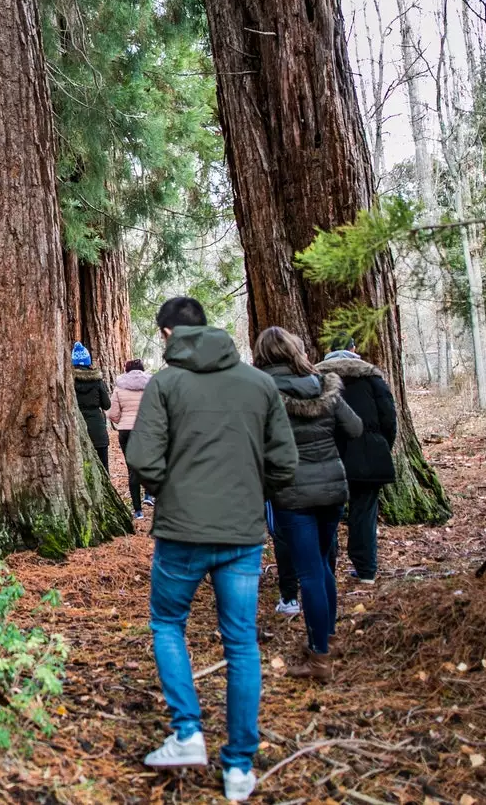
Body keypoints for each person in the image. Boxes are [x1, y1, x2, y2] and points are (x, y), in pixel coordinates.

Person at [127, 297, 298, 802]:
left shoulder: (167, 383)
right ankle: (239, 768)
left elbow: (142, 458)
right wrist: (248, 495)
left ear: (166, 335)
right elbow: (284, 464)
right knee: (241, 643)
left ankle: (187, 734)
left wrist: (175, 493)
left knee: (167, 624)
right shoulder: (259, 383)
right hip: (242, 536)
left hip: (181, 533)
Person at [254, 326, 362, 684]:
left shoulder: (260, 390)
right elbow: (355, 428)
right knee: (323, 567)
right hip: (332, 490)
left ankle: (320, 659)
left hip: (291, 494)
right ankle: (326, 640)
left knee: (311, 573)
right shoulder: (322, 384)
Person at [316, 337, 398, 585]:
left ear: (329, 352)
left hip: (328, 457)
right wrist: (381, 446)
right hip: (367, 456)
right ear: (353, 350)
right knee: (364, 514)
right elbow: (389, 419)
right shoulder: (372, 378)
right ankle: (366, 571)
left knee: (327, 514)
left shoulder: (318, 380)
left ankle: (325, 569)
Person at [107, 359, 152, 518]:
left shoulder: (119, 388)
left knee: (132, 469)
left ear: (126, 371)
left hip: (126, 431)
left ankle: (138, 511)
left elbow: (112, 414)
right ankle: (148, 496)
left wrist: (123, 420)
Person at [71, 342, 112, 471]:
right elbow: (106, 405)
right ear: (88, 361)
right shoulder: (97, 381)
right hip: (97, 429)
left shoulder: (69, 382)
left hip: (78, 427)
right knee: (103, 464)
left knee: (84, 465)